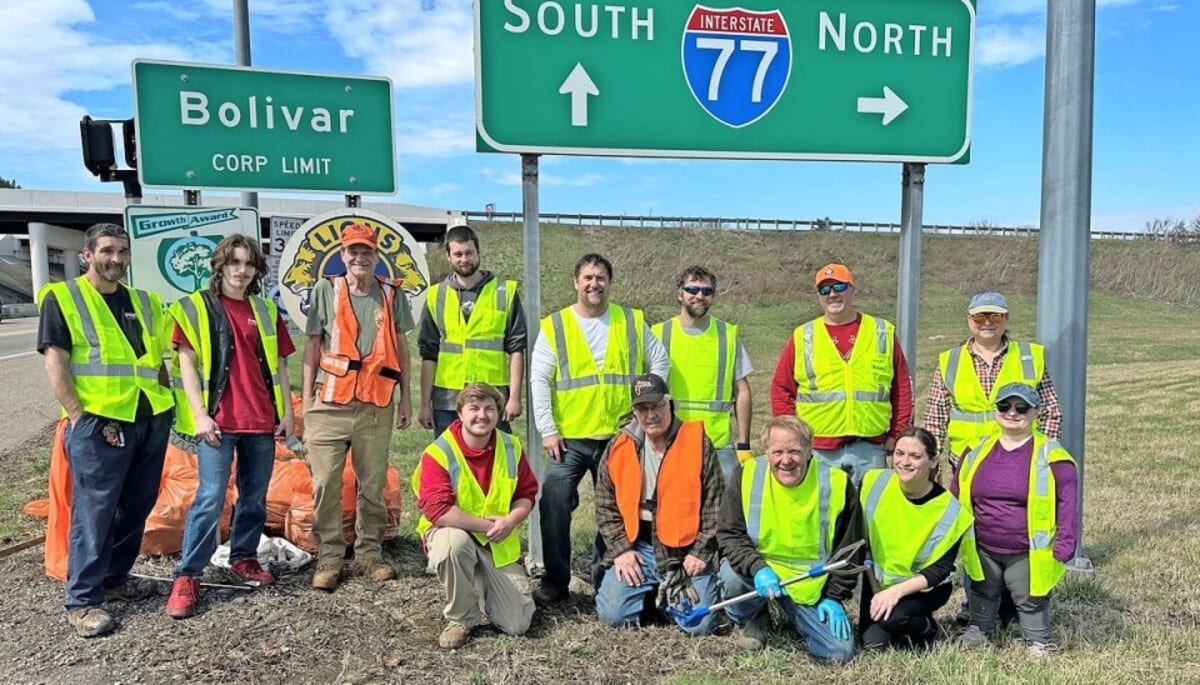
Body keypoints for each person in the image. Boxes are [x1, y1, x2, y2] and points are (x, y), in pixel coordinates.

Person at [37, 222, 175, 637]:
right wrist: (77, 414)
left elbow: (155, 361)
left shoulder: (145, 302)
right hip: (99, 421)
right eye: (107, 251)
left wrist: (164, 407)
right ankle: (83, 600)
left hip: (148, 415)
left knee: (137, 504)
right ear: (87, 254)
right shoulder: (64, 298)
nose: (115, 259)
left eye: (122, 251)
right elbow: (56, 361)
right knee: (95, 512)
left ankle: (116, 579)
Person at [164, 234, 296, 619]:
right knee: (210, 498)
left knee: (254, 498)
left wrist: (286, 412)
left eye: (248, 264)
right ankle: (188, 575)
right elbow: (186, 363)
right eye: (234, 262)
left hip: (260, 419)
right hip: (219, 421)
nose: (241, 270)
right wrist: (200, 414)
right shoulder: (195, 308)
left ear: (256, 270)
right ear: (220, 266)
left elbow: (281, 366)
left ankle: (243, 557)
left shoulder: (265, 311)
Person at [529, 253, 669, 605]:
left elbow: (660, 361)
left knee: (620, 508)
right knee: (554, 500)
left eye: (601, 277)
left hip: (619, 437)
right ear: (576, 282)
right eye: (588, 277)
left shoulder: (631, 321)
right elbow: (540, 379)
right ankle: (556, 579)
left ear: (609, 282)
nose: (594, 284)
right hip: (570, 439)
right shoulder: (556, 325)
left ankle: (604, 578)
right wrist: (548, 429)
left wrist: (645, 407)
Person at [301, 222, 414, 591]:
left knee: (372, 483)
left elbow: (402, 350)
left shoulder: (392, 295)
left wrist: (406, 399)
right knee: (326, 482)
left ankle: (369, 554)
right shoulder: (325, 290)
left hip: (376, 404)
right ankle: (330, 556)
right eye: (353, 251)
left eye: (367, 251)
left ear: (376, 256)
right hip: (330, 401)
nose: (359, 257)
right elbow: (312, 347)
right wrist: (306, 401)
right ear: (342, 254)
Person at [716, 416, 860, 661]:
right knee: (731, 578)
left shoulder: (837, 483)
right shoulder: (747, 475)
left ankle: (798, 614)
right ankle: (755, 615)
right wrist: (758, 568)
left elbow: (850, 549)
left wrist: (834, 597)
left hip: (809, 585)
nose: (786, 460)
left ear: (809, 450)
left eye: (794, 451)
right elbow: (730, 534)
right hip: (760, 576)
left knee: (839, 653)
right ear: (766, 452)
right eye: (777, 452)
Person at [594, 374, 724, 635]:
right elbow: (605, 505)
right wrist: (621, 551)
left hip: (683, 553)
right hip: (638, 548)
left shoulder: (698, 442)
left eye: (656, 406)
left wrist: (700, 552)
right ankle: (654, 596)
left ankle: (673, 592)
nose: (651, 415)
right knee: (613, 617)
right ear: (634, 411)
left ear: (669, 404)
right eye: (642, 408)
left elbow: (715, 505)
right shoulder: (619, 446)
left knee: (700, 626)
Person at [954, 383, 1078, 657]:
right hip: (982, 545)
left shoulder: (1053, 456)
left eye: (1022, 408)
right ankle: (979, 628)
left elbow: (1067, 504)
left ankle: (1038, 640)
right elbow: (955, 491)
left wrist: (1066, 541)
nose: (1012, 413)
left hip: (1027, 550)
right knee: (982, 588)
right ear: (996, 410)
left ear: (1037, 413)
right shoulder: (975, 448)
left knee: (1030, 597)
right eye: (1004, 406)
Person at [413, 383, 539, 649]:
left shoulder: (511, 446)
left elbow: (527, 493)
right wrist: (487, 525)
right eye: (474, 409)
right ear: (459, 414)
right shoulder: (439, 453)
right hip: (454, 532)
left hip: (496, 543)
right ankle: (461, 619)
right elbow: (438, 510)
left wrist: (511, 521)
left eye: (489, 409)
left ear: (498, 413)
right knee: (453, 546)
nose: (482, 415)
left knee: (517, 625)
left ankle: (481, 583)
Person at [770, 263, 913, 488]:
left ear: (852, 290)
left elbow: (902, 387)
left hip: (871, 448)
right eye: (825, 290)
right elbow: (781, 389)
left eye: (839, 286)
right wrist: (793, 436)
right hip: (819, 450)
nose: (833, 294)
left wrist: (898, 432)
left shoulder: (882, 331)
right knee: (824, 516)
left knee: (870, 515)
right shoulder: (803, 336)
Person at [857, 426, 974, 650]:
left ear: (933, 461)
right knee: (873, 645)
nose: (904, 462)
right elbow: (866, 546)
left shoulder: (950, 510)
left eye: (915, 456)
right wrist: (878, 592)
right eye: (899, 454)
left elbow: (940, 569)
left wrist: (894, 593)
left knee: (891, 620)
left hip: (925, 588)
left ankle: (926, 628)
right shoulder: (873, 482)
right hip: (879, 583)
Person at [924, 291, 1063, 467]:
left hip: (1020, 460)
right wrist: (930, 460)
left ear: (1006, 319)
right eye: (979, 318)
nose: (987, 323)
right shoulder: (950, 360)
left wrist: (1044, 454)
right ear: (969, 319)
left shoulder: (1029, 357)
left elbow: (1051, 411)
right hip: (965, 461)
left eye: (995, 317)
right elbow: (935, 417)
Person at [417, 224, 527, 435]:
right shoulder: (435, 296)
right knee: (449, 462)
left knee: (496, 462)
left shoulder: (504, 292)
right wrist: (424, 404)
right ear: (448, 256)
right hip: (447, 400)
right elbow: (428, 354)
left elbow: (516, 349)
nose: (464, 259)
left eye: (469, 253)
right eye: (458, 254)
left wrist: (514, 397)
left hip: (492, 398)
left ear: (478, 253)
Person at [652, 265, 753, 482]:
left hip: (718, 443)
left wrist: (743, 443)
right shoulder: (659, 333)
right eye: (693, 290)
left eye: (707, 292)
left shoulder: (727, 335)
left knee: (725, 511)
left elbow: (742, 389)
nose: (700, 296)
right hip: (669, 439)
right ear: (680, 294)